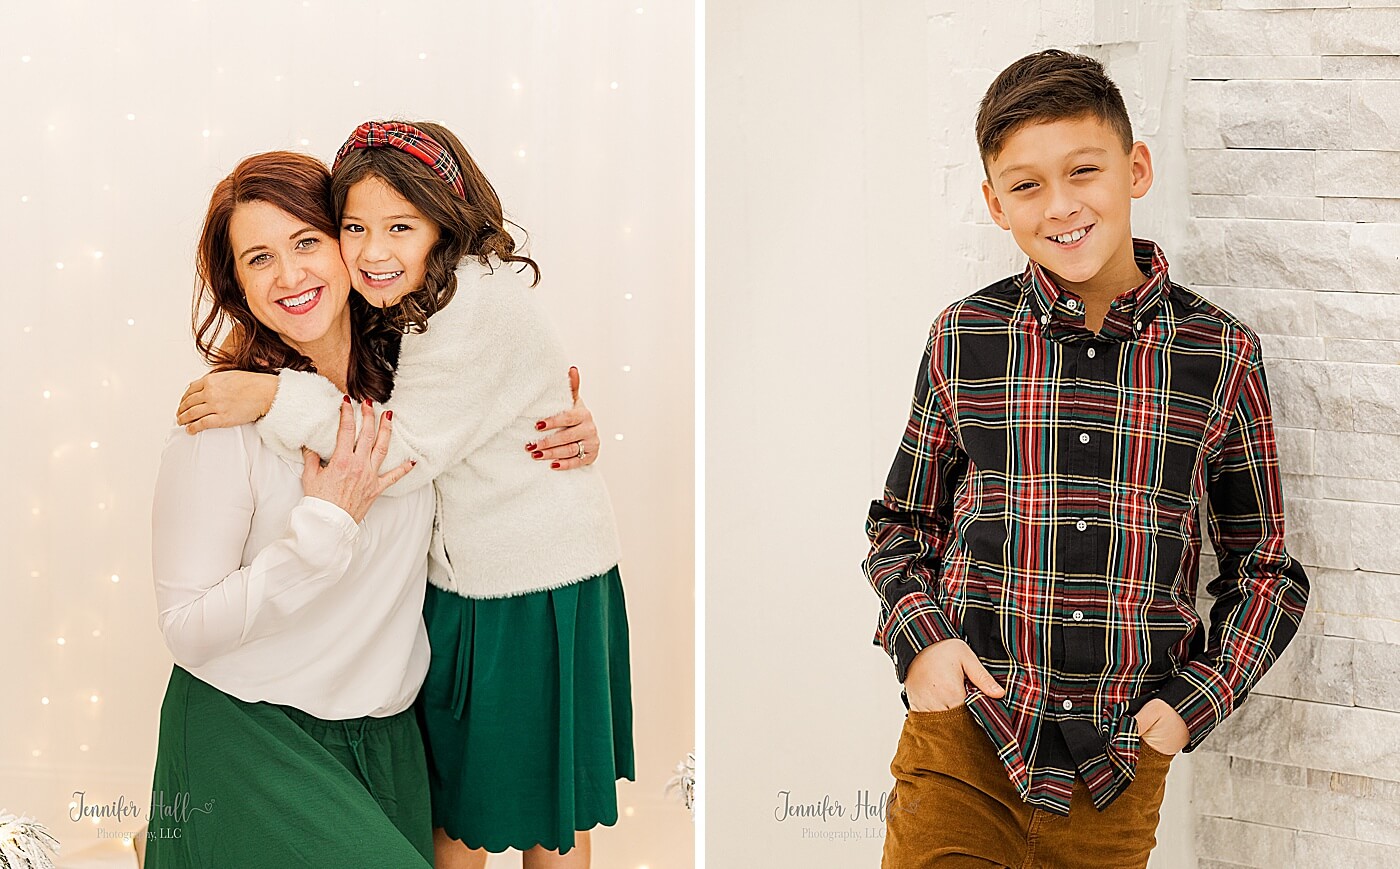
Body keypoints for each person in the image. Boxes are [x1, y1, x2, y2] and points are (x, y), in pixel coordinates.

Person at [864, 50, 1309, 869]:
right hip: (964, 747)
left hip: (1115, 771)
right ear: (996, 204)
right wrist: (921, 643)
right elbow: (901, 523)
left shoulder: (1220, 352)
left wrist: (1188, 706)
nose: (1061, 205)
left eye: (1084, 170)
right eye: (1027, 185)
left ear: (1134, 169)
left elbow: (1266, 570)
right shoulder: (966, 337)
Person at [178, 120, 634, 868]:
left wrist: (270, 397)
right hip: (472, 583)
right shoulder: (405, 307)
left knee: (530, 810)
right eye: (353, 226)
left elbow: (399, 452)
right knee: (465, 799)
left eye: (400, 225)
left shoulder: (472, 307)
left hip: (525, 585)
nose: (372, 250)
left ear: (445, 223)